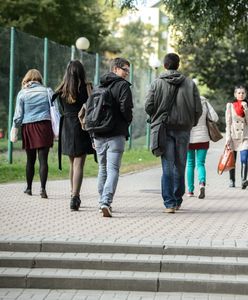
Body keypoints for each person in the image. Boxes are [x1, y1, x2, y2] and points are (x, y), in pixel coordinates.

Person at [145, 53, 202, 213]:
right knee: (180, 165)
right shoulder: (190, 84)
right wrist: (191, 122)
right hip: (184, 129)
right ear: (178, 65)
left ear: (164, 65)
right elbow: (198, 108)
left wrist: (156, 116)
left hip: (164, 128)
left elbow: (148, 106)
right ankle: (177, 199)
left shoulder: (156, 83)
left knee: (167, 166)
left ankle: (169, 203)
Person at [93, 57, 133, 217]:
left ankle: (101, 201)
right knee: (113, 169)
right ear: (115, 69)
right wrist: (127, 121)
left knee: (102, 168)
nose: (127, 74)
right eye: (125, 70)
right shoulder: (123, 86)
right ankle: (106, 202)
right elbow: (126, 108)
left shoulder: (99, 85)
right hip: (116, 133)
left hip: (98, 133)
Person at [54, 60, 95, 211]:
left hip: (66, 126)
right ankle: (75, 197)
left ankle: (73, 195)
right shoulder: (86, 87)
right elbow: (92, 106)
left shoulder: (61, 89)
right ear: (81, 72)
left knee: (72, 164)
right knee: (79, 164)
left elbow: (58, 108)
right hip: (81, 126)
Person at [12, 69, 54, 198]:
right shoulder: (48, 91)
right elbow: (55, 110)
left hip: (28, 127)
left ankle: (29, 188)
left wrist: (15, 128)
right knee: (43, 160)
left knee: (30, 160)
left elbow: (19, 115)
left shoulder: (22, 93)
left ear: (27, 79)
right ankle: (43, 189)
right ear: (39, 79)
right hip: (44, 127)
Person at [186, 96, 219, 199]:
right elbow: (215, 118)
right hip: (203, 138)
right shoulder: (204, 102)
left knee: (190, 164)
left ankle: (190, 191)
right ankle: (202, 184)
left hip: (189, 138)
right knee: (201, 163)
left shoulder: (185, 102)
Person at [225, 85, 248, 189]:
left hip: (245, 137)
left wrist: (246, 109)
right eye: (239, 93)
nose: (241, 95)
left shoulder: (247, 105)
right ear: (235, 94)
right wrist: (227, 138)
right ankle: (231, 180)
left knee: (244, 158)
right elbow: (228, 123)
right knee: (232, 160)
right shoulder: (230, 105)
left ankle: (243, 180)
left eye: (243, 93)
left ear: (245, 94)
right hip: (233, 136)